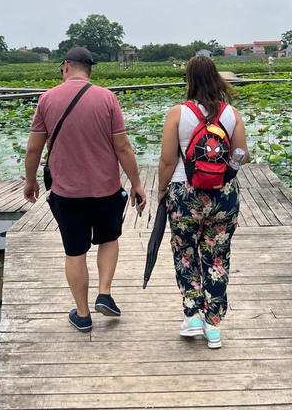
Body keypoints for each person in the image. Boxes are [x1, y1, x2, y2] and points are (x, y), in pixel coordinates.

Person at [23, 47, 147, 333]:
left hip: (66, 193)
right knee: (108, 239)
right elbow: (123, 146)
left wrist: (31, 181)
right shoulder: (107, 98)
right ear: (91, 70)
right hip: (106, 189)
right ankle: (104, 293)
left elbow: (33, 147)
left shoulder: (47, 99)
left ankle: (82, 314)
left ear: (65, 66)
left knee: (75, 252)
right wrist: (136, 183)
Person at [157, 56, 248, 349]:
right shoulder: (231, 113)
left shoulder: (177, 114)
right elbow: (242, 154)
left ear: (189, 79)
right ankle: (214, 325)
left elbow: (168, 160)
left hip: (185, 195)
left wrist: (161, 190)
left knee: (185, 253)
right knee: (217, 257)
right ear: (216, 78)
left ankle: (193, 316)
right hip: (224, 196)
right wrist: (226, 172)